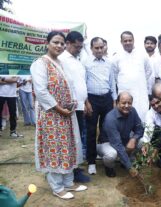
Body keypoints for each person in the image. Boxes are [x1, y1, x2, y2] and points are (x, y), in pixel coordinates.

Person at [30, 31, 87, 200]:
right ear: (47, 43)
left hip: (65, 113)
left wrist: (72, 103)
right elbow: (41, 91)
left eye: (62, 43)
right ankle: (57, 187)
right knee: (55, 149)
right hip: (51, 114)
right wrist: (58, 108)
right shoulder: (40, 64)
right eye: (56, 42)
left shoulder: (61, 63)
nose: (59, 46)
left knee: (68, 146)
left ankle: (68, 182)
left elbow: (70, 87)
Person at [58, 31, 90, 183]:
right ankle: (72, 170)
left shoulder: (77, 61)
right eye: (77, 47)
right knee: (72, 139)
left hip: (80, 105)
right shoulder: (61, 60)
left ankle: (75, 166)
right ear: (68, 44)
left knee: (78, 138)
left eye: (81, 47)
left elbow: (80, 84)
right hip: (69, 107)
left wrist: (86, 102)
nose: (79, 49)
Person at [83, 37, 117, 175]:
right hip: (92, 99)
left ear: (105, 47)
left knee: (106, 131)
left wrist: (114, 100)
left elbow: (112, 82)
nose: (99, 50)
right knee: (91, 131)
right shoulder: (85, 63)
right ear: (91, 49)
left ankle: (106, 159)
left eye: (101, 47)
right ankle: (91, 161)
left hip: (107, 99)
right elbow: (83, 83)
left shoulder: (109, 63)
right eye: (96, 48)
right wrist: (86, 102)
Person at [97, 91, 143, 177]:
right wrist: (130, 167)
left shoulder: (133, 111)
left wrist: (134, 139)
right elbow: (117, 144)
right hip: (108, 143)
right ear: (117, 103)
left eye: (129, 103)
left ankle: (124, 161)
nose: (126, 105)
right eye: (123, 103)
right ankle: (109, 166)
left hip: (124, 140)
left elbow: (140, 128)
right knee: (111, 154)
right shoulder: (111, 118)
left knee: (142, 142)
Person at [112, 31, 152, 121]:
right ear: (121, 42)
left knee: (142, 116)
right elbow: (115, 75)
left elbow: (149, 71)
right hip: (124, 92)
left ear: (134, 40)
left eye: (130, 40)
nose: (128, 43)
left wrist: (138, 80)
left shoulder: (143, 55)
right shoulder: (116, 57)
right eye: (125, 41)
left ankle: (142, 135)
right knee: (124, 116)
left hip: (140, 92)